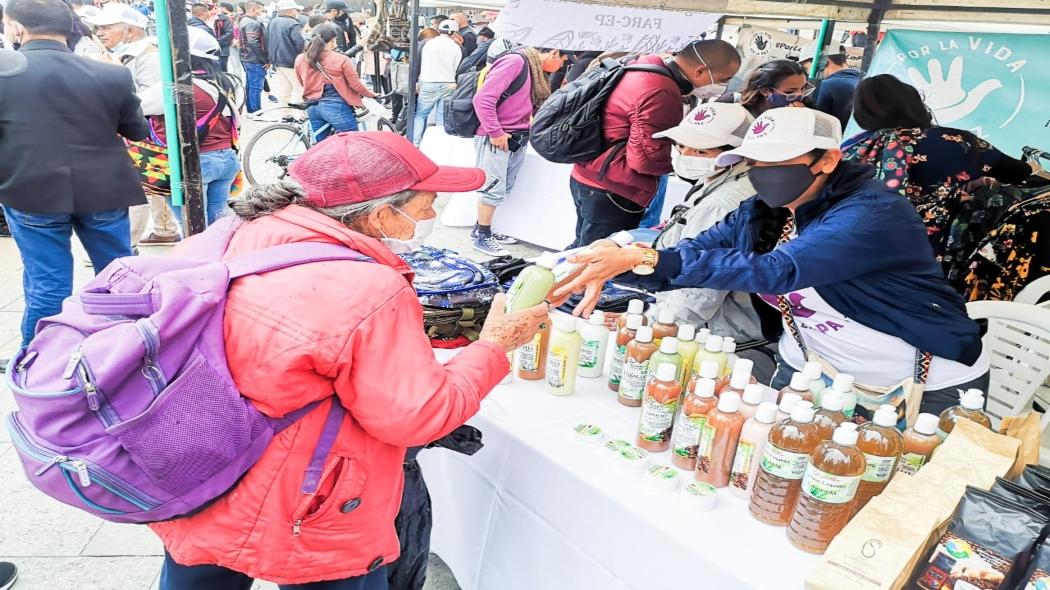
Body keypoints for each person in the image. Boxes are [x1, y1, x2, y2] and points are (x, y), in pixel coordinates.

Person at [150, 131, 549, 590]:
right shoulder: (369, 289)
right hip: (311, 504)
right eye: (426, 206)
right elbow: (420, 416)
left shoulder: (232, 235)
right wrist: (494, 345)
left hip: (198, 473)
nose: (432, 216)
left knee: (197, 575)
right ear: (380, 215)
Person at [554, 107, 989, 417]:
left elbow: (780, 270)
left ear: (829, 159)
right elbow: (698, 251)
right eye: (755, 163)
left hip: (919, 384)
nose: (764, 173)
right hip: (808, 371)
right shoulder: (763, 209)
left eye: (779, 163)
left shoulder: (873, 213)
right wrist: (621, 263)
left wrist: (646, 256)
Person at [0, 0, 148, 351]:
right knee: (116, 277)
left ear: (18, 28)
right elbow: (137, 131)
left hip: (30, 192)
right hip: (104, 190)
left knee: (48, 284)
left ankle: (39, 362)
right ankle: (129, 352)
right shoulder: (112, 74)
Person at [844, 74, 1038, 288]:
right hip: (939, 266)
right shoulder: (957, 142)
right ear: (914, 104)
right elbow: (1020, 172)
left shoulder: (853, 148)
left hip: (858, 257)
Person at [567, 39, 742, 248]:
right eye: (724, 79)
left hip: (591, 175)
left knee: (582, 250)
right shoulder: (662, 90)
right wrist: (683, 165)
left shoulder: (643, 68)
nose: (723, 87)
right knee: (595, 258)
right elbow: (644, 159)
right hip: (615, 187)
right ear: (701, 71)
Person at [641, 102, 763, 340]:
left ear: (734, 154)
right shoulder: (721, 175)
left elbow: (700, 291)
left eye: (701, 152)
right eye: (682, 146)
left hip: (713, 326)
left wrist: (655, 329)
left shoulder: (723, 202)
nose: (685, 156)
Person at [85, 2, 182, 246]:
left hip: (145, 135)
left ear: (130, 31)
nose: (101, 32)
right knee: (152, 187)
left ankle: (127, 243)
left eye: (107, 27)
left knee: (139, 188)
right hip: (138, 133)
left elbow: (153, 101)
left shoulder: (147, 56)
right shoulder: (125, 54)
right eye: (99, 28)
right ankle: (163, 228)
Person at [140, 28, 239, 227]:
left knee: (192, 228)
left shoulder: (177, 86)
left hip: (196, 163)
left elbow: (136, 107)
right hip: (226, 159)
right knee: (216, 225)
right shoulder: (226, 82)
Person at [470, 46, 563, 256]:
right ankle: (482, 236)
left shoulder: (532, 68)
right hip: (498, 136)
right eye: (563, 61)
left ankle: (483, 229)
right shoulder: (516, 62)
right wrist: (495, 132)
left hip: (516, 136)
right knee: (492, 187)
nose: (561, 66)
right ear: (554, 53)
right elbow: (483, 99)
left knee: (503, 185)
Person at [295, 23, 376, 140]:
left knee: (321, 146)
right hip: (336, 106)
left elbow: (302, 82)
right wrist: (370, 94)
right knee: (352, 141)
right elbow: (356, 85)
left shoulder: (300, 58)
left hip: (312, 106)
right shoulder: (341, 59)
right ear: (332, 40)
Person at [411, 19, 462, 146]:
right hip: (449, 83)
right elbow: (457, 67)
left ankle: (416, 143)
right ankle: (437, 144)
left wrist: (417, 81)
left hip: (428, 81)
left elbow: (418, 63)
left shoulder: (427, 44)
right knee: (442, 116)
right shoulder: (456, 47)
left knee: (421, 114)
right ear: (454, 33)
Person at [729, 58, 812, 118]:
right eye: (790, 92)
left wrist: (802, 119)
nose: (800, 95)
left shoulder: (805, 111)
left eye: (803, 88)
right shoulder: (738, 110)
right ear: (765, 90)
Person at [265, 0, 305, 112]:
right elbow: (300, 43)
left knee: (285, 89)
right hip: (291, 62)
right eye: (296, 10)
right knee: (299, 89)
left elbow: (267, 40)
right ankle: (299, 115)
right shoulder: (294, 24)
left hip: (276, 61)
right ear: (291, 11)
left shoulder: (272, 22)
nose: (297, 12)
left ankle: (285, 115)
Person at [813, 47, 860, 130]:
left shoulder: (827, 85)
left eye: (807, 68)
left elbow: (818, 125)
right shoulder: (865, 78)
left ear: (824, 62)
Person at [238, 0, 267, 113]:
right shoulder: (252, 23)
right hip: (254, 59)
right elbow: (253, 42)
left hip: (247, 57)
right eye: (260, 9)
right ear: (253, 9)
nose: (261, 11)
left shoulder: (244, 20)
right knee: (255, 87)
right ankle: (256, 111)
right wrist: (264, 59)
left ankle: (251, 109)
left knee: (250, 85)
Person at [214, 1, 236, 71]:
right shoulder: (205, 19)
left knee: (222, 71)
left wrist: (216, 41)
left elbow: (229, 33)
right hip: (209, 51)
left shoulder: (225, 19)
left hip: (222, 50)